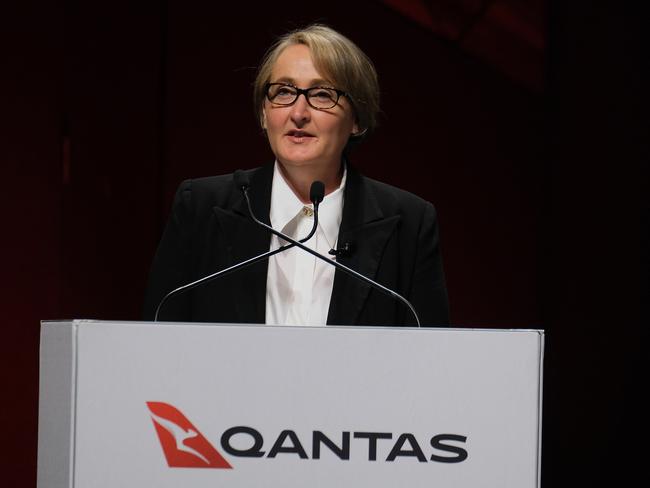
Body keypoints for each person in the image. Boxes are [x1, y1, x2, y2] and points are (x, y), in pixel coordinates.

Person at [143, 24, 449, 326]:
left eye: (321, 94)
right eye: (284, 92)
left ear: (357, 118)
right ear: (264, 113)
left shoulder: (409, 223)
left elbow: (428, 358)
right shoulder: (201, 209)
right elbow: (157, 343)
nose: (299, 113)